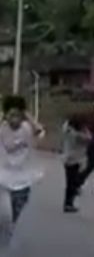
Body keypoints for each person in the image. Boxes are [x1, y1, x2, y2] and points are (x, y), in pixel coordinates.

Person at [0, 95, 45, 249]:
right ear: (6, 114)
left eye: (18, 115)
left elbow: (39, 130)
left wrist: (27, 115)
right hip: (3, 177)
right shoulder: (1, 128)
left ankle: (9, 228)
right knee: (4, 213)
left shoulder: (27, 128)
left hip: (23, 177)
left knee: (17, 209)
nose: (14, 119)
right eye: (11, 115)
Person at [61, 113, 91, 213]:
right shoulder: (77, 135)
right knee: (72, 182)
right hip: (76, 159)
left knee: (70, 182)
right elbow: (89, 139)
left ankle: (69, 201)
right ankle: (69, 203)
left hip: (67, 157)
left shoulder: (67, 129)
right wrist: (85, 130)